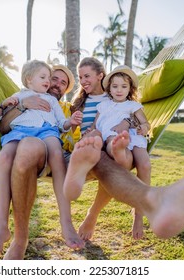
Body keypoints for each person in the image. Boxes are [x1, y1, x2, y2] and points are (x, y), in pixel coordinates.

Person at [0, 62, 84, 259]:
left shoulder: (53, 102)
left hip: (47, 131)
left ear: (65, 89)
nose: (49, 82)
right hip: (19, 132)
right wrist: (8, 105)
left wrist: (70, 122)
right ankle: (1, 227)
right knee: (4, 158)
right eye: (46, 77)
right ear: (29, 79)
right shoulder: (19, 95)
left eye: (60, 82)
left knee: (56, 154)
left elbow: (60, 123)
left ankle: (66, 222)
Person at [64, 65, 151, 240]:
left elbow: (144, 123)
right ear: (110, 87)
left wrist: (140, 126)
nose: (119, 90)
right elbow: (95, 126)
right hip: (106, 140)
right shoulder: (94, 104)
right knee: (111, 145)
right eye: (80, 77)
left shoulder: (131, 105)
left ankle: (138, 214)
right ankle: (112, 150)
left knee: (140, 163)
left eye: (124, 86)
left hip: (127, 139)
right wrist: (87, 132)